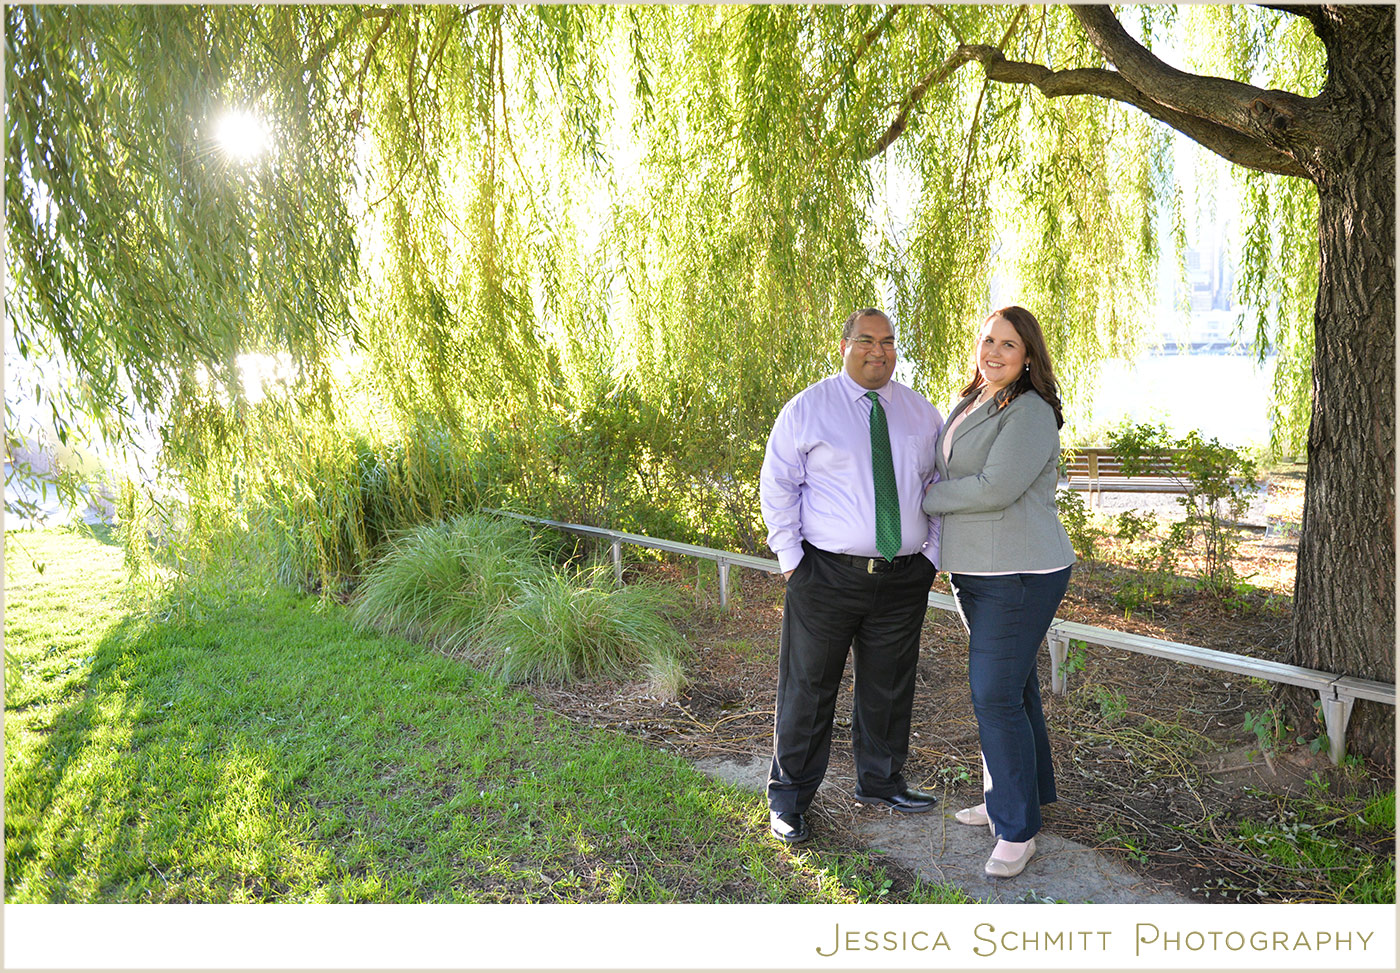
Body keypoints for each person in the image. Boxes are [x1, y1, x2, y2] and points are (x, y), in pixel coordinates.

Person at [759, 308, 944, 844]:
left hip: (903, 577)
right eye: (866, 340)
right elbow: (778, 484)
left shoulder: (920, 413)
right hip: (826, 576)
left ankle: (881, 782)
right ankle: (789, 801)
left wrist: (931, 556)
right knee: (808, 689)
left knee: (890, 687)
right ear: (843, 346)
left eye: (887, 341)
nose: (878, 351)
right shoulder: (808, 409)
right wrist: (791, 561)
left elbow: (938, 488)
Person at [920, 305, 1075, 878]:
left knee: (994, 694)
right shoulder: (974, 399)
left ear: (1028, 354)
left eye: (1008, 344)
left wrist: (924, 499)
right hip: (978, 571)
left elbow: (995, 488)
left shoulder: (1030, 411)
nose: (994, 352)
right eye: (987, 340)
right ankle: (1014, 799)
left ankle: (1016, 830)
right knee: (1014, 687)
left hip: (1020, 572)